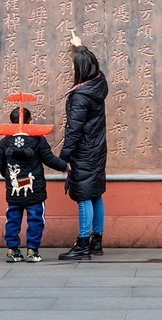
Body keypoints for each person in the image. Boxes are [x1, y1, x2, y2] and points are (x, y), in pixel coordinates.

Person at [58, 31, 109, 261]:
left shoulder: (80, 96)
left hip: (84, 152)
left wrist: (64, 157)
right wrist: (79, 46)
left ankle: (82, 245)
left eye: (73, 66)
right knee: (95, 192)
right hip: (97, 150)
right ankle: (97, 241)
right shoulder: (98, 82)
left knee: (84, 197)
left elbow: (74, 130)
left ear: (80, 70)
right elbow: (89, 59)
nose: (71, 69)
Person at [0, 107, 68, 263]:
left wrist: (9, 178)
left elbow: (2, 168)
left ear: (11, 123)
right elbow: (49, 159)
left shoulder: (4, 142)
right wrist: (65, 167)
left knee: (12, 219)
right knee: (36, 219)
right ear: (30, 122)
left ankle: (12, 250)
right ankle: (32, 251)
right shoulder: (38, 140)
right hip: (34, 190)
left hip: (13, 190)